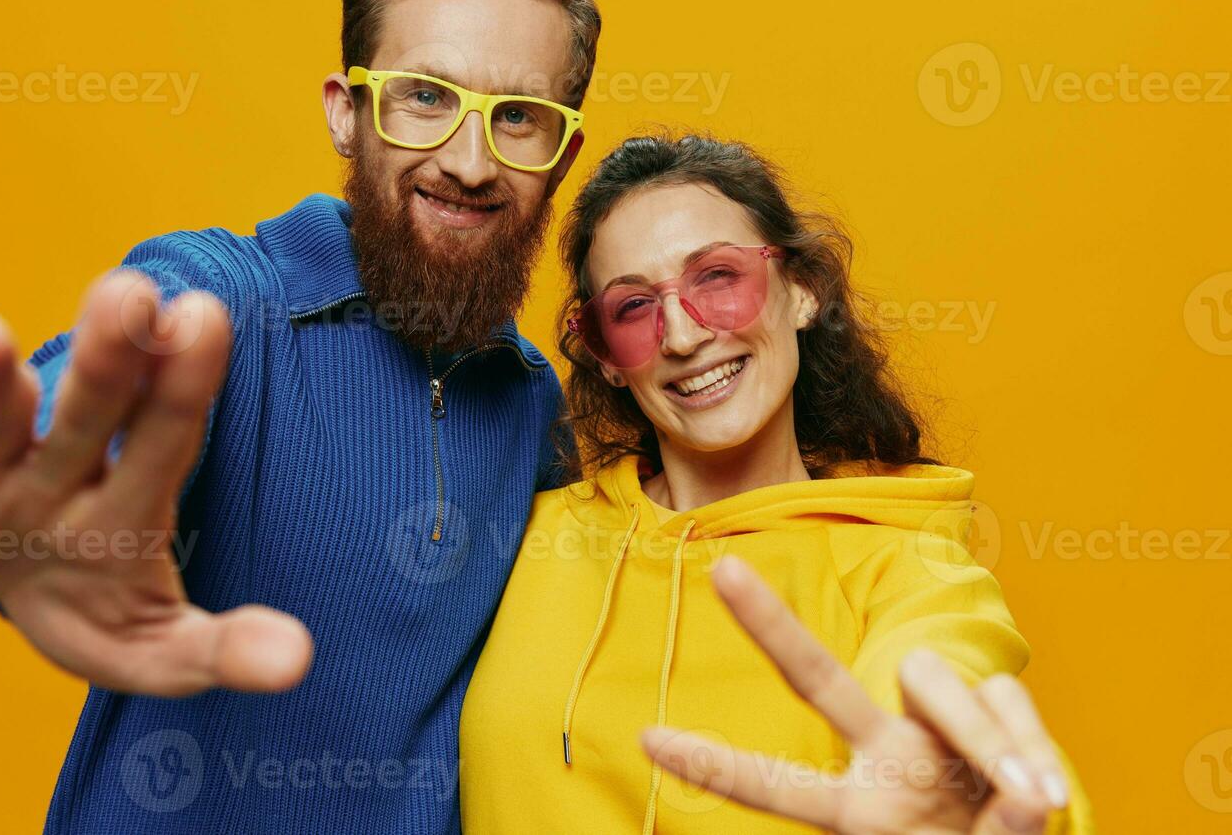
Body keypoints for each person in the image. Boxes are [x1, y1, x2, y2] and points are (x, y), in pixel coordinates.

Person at [0, 0, 598, 833]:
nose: (466, 159)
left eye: (518, 118)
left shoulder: (534, 405)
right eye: (425, 96)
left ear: (562, 153)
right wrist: (42, 503)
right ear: (347, 111)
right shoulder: (225, 301)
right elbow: (125, 374)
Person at [460, 134, 1094, 833]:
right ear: (606, 356)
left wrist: (968, 799)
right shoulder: (522, 534)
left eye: (718, 278)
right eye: (633, 307)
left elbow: (948, 688)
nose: (681, 335)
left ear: (802, 291)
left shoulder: (911, 575)